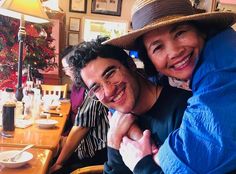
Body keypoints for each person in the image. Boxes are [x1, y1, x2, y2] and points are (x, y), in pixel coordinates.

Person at [105, 0, 236, 173]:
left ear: (200, 31)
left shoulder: (220, 67)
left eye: (180, 33)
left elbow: (188, 161)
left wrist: (145, 161)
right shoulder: (165, 77)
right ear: (148, 59)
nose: (174, 51)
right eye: (158, 47)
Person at [67, 37, 192, 173]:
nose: (109, 91)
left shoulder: (186, 111)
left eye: (110, 73)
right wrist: (113, 142)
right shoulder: (118, 119)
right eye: (96, 87)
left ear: (130, 64)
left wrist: (143, 164)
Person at [49, 46, 109, 174]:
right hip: (91, 149)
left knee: (51, 166)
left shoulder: (92, 88)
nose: (66, 72)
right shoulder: (83, 85)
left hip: (99, 154)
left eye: (67, 68)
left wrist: (58, 164)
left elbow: (81, 127)